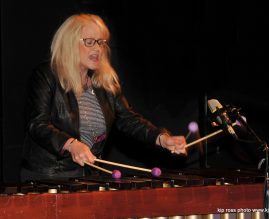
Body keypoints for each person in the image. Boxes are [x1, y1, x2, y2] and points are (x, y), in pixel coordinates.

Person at [21, 13, 186, 181]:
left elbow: (128, 120)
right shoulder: (46, 76)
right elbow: (37, 124)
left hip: (88, 176)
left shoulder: (104, 82)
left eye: (100, 42)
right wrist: (70, 144)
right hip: (49, 175)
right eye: (89, 42)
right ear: (70, 43)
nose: (97, 49)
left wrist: (161, 138)